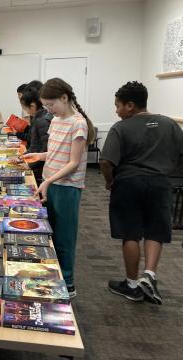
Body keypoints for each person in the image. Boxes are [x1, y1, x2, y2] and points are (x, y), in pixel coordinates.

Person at [101, 81, 183, 305]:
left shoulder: (121, 127)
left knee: (131, 233)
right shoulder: (170, 125)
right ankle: (150, 274)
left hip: (128, 184)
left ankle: (131, 284)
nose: (116, 110)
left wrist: (110, 181)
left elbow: (106, 161)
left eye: (117, 105)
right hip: (160, 184)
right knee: (155, 230)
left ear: (129, 105)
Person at [23, 78, 95, 298]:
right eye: (46, 105)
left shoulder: (78, 123)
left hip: (66, 187)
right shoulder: (56, 120)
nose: (49, 109)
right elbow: (55, 152)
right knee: (49, 232)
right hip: (50, 182)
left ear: (65, 98)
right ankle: (54, 278)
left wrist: (48, 180)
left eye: (51, 104)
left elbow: (73, 162)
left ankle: (69, 283)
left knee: (64, 236)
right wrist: (39, 155)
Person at [20, 82, 53, 183]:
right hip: (35, 163)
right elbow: (34, 146)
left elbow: (45, 150)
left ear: (33, 106)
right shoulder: (36, 118)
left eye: (25, 108)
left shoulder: (42, 120)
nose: (26, 111)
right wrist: (23, 157)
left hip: (40, 168)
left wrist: (29, 164)